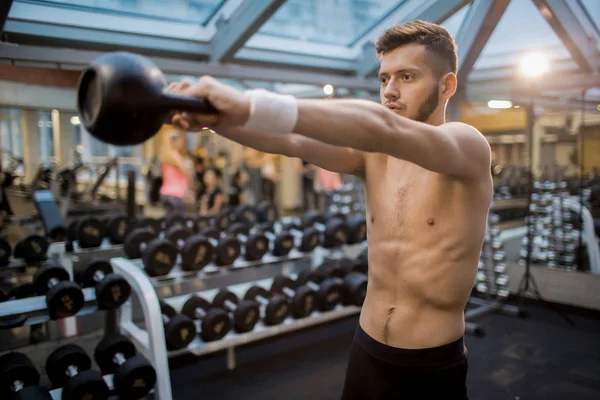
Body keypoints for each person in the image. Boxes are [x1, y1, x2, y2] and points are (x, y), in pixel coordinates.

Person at [169, 20, 493, 399]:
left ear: (446, 85)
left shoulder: (466, 146)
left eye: (407, 76)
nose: (390, 90)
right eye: (384, 78)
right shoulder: (375, 157)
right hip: (367, 350)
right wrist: (217, 122)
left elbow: (380, 127)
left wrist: (247, 103)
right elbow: (291, 140)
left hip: (430, 363)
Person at [158, 125, 192, 216]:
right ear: (175, 141)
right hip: (176, 194)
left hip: (165, 192)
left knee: (169, 221)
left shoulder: (165, 156)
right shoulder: (175, 155)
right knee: (178, 223)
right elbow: (186, 172)